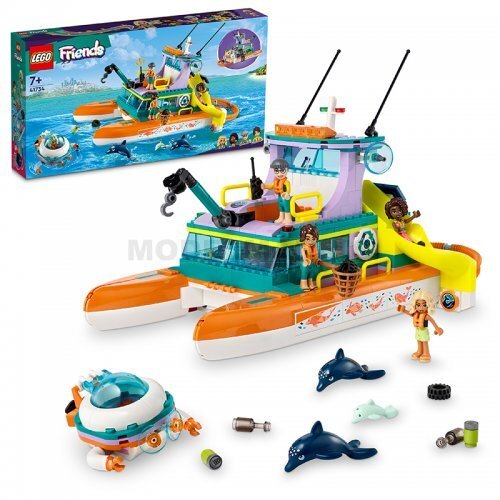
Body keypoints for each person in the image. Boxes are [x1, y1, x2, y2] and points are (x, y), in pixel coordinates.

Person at [397, 290, 444, 363]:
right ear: (414, 305)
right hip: (418, 330)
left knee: (424, 342)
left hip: (424, 330)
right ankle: (419, 351)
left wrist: (437, 328)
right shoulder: (416, 314)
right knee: (418, 340)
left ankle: (426, 353)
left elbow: (432, 321)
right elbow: (410, 314)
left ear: (428, 305)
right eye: (418, 305)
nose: (421, 308)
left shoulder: (426, 316)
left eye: (424, 305)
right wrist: (403, 310)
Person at [261, 158, 292, 225]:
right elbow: (270, 186)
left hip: (285, 198)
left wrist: (286, 193)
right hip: (279, 198)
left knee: (286, 208)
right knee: (281, 208)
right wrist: (265, 186)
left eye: (282, 171)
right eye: (277, 171)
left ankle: (288, 218)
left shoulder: (286, 182)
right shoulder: (276, 181)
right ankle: (281, 218)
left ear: (287, 170)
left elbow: (288, 190)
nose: (279, 174)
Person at [299, 224, 320, 291]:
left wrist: (316, 259)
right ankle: (303, 285)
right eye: (308, 239)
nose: (311, 242)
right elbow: (303, 255)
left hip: (312, 263)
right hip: (306, 263)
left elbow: (315, 255)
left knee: (310, 275)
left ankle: (310, 284)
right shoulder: (304, 248)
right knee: (304, 275)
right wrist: (305, 259)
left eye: (313, 239)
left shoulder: (314, 248)